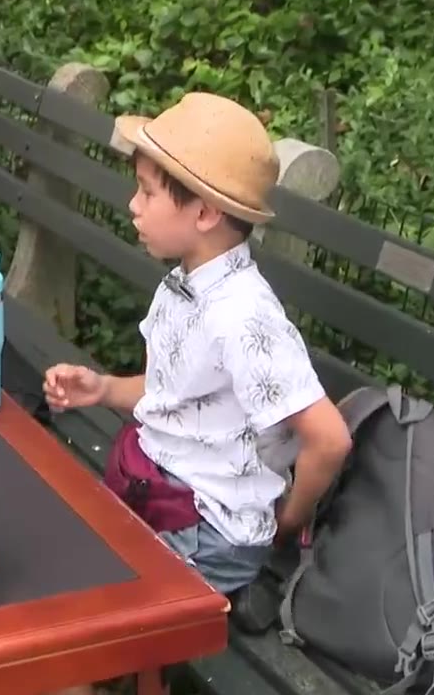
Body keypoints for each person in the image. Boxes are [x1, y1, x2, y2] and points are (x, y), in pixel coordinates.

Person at [43, 93, 353, 695]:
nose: (133, 205)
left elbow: (329, 439)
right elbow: (175, 399)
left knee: (77, 634)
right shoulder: (187, 285)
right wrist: (103, 388)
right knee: (54, 570)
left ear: (205, 212)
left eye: (147, 191)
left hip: (214, 531)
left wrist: (281, 524)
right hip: (162, 492)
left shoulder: (245, 318)